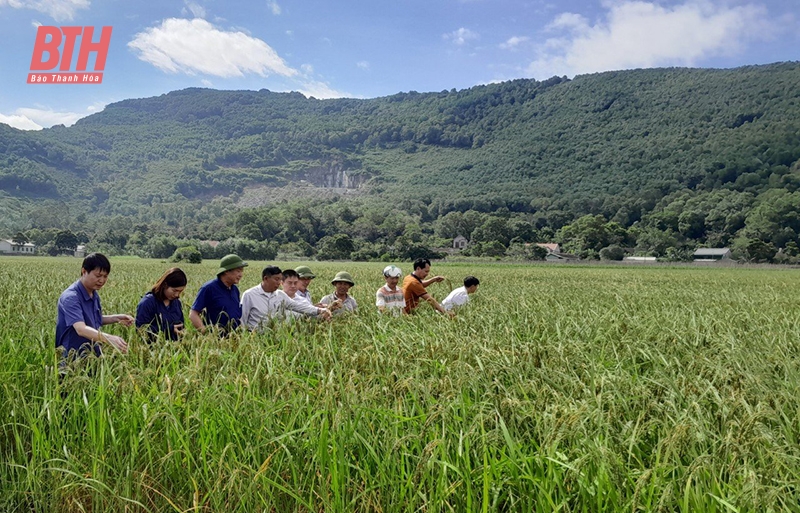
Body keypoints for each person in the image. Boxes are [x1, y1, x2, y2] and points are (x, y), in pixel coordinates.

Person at [55, 252, 134, 360]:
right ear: (84, 271)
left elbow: (92, 319)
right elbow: (81, 328)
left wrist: (115, 318)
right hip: (72, 359)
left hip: (91, 356)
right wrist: (109, 338)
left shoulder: (93, 293)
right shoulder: (71, 297)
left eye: (105, 276)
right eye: (98, 276)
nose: (101, 280)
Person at [241, 266, 331, 331]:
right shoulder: (250, 295)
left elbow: (298, 306)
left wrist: (320, 310)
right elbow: (242, 319)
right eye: (276, 279)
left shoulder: (280, 295)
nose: (278, 283)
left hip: (274, 337)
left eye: (280, 279)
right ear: (266, 278)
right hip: (254, 337)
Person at [189, 254, 247, 334]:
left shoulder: (235, 289)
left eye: (241, 271)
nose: (241, 275)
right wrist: (205, 333)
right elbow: (193, 314)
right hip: (217, 339)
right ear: (226, 271)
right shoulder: (209, 288)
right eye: (238, 271)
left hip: (234, 338)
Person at [136, 267, 187, 342]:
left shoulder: (176, 303)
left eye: (180, 291)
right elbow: (141, 330)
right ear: (165, 285)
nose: (177, 295)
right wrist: (168, 329)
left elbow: (181, 325)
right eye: (174, 290)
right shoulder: (147, 302)